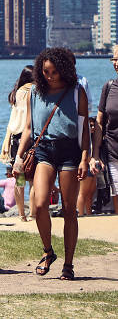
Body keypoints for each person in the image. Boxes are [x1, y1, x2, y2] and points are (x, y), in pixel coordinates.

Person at [13, 47, 91, 281]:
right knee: (38, 204)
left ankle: (69, 264)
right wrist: (18, 157)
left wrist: (85, 158)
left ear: (64, 70)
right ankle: (48, 252)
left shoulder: (77, 92)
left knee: (69, 209)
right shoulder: (34, 93)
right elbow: (28, 128)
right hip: (44, 150)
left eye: (55, 71)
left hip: (70, 151)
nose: (50, 76)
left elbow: (85, 128)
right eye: (46, 71)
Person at [1, 65, 34, 221]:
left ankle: (21, 214)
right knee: (33, 179)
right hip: (30, 139)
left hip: (15, 140)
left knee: (19, 179)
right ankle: (33, 213)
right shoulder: (33, 92)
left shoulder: (15, 94)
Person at [93, 45, 118, 216]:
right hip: (113, 152)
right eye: (114, 59)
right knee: (117, 195)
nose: (116, 63)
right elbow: (99, 121)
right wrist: (94, 155)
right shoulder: (109, 87)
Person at [76, 118, 98, 216]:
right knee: (82, 193)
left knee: (90, 194)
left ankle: (89, 214)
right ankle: (80, 214)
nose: (92, 128)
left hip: (92, 166)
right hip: (86, 164)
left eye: (94, 126)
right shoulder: (84, 136)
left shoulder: (94, 137)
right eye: (90, 126)